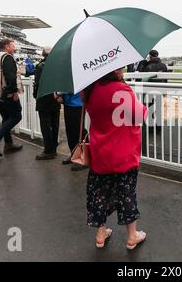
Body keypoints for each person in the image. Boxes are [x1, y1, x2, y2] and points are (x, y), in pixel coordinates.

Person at [83, 68, 147, 250]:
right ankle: (132, 236)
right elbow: (138, 115)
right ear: (113, 68)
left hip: (100, 153)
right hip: (124, 153)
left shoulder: (89, 90)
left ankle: (100, 233)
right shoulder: (120, 90)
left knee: (100, 194)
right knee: (127, 194)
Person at [33, 46, 60, 160]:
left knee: (45, 125)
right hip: (55, 97)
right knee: (55, 124)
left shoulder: (40, 66)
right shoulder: (58, 65)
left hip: (44, 98)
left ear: (43, 54)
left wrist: (36, 95)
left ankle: (49, 150)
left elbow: (38, 84)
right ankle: (53, 148)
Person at [57, 92, 88, 171]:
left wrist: (60, 92)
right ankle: (74, 154)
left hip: (78, 104)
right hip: (68, 103)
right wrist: (59, 95)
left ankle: (85, 158)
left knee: (79, 131)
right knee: (70, 131)